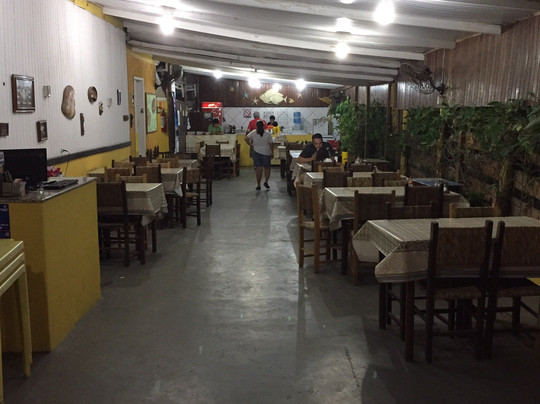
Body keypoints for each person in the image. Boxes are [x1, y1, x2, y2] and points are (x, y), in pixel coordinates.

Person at [245, 120, 274, 190]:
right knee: (267, 168)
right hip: (266, 153)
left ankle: (258, 185)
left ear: (256, 126)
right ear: (263, 126)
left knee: (258, 170)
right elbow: (271, 144)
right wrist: (272, 152)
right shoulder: (268, 133)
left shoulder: (253, 132)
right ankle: (266, 181)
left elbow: (246, 138)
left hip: (256, 152)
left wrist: (251, 145)